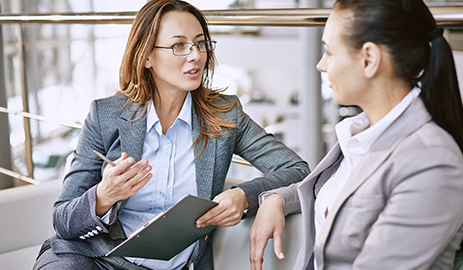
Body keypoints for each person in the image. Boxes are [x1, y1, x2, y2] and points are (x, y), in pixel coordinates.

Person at [33, 0, 309, 269]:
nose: (195, 55)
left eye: (200, 43)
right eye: (179, 45)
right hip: (94, 259)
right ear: (147, 56)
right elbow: (63, 220)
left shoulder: (225, 114)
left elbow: (297, 169)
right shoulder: (105, 116)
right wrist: (104, 196)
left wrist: (244, 195)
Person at [249, 0, 463, 269]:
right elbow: (340, 195)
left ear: (369, 59)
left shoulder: (431, 161)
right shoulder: (361, 133)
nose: (320, 64)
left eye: (329, 51)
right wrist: (277, 198)